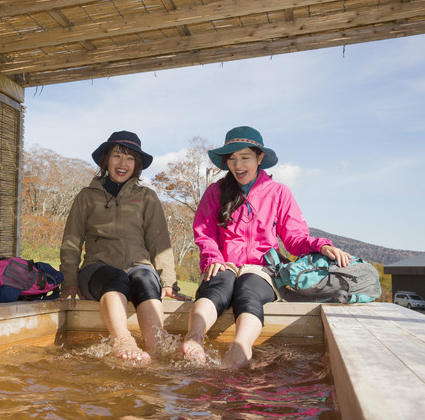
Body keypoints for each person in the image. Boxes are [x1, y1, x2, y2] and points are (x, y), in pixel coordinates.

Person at [181, 126, 351, 369]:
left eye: (245, 157)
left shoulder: (279, 193)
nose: (237, 164)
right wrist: (212, 258)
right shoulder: (215, 191)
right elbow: (204, 232)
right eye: (232, 158)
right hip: (223, 262)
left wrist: (321, 245)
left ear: (259, 158)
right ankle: (194, 337)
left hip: (262, 268)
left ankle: (240, 348)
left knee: (248, 291)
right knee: (218, 285)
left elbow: (294, 238)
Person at [59, 131, 184, 362]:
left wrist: (167, 282)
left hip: (139, 266)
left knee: (145, 280)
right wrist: (69, 281)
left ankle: (156, 345)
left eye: (130, 158)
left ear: (136, 165)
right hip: (97, 269)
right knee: (115, 277)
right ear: (106, 159)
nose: (122, 163)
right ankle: (123, 340)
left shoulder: (147, 197)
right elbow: (71, 240)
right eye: (117, 156)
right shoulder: (86, 196)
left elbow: (160, 242)